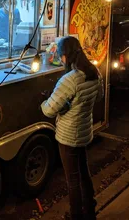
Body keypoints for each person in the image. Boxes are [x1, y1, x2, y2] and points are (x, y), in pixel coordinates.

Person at [41, 36, 103, 220]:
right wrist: (75, 103)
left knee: (72, 180)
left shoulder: (70, 79)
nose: (60, 60)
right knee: (83, 172)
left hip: (68, 136)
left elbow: (49, 110)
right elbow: (98, 97)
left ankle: (76, 215)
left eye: (61, 56)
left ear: (66, 56)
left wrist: (44, 101)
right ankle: (90, 208)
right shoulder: (94, 71)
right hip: (84, 131)